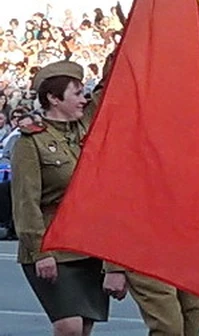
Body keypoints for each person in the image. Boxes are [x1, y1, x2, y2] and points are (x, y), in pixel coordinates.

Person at [11, 61, 127, 336]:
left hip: (87, 242)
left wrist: (132, 30)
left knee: (84, 327)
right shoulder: (30, 142)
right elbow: (26, 201)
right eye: (76, 93)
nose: (84, 98)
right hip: (51, 243)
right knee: (69, 327)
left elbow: (111, 81)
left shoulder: (86, 124)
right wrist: (41, 252)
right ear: (53, 98)